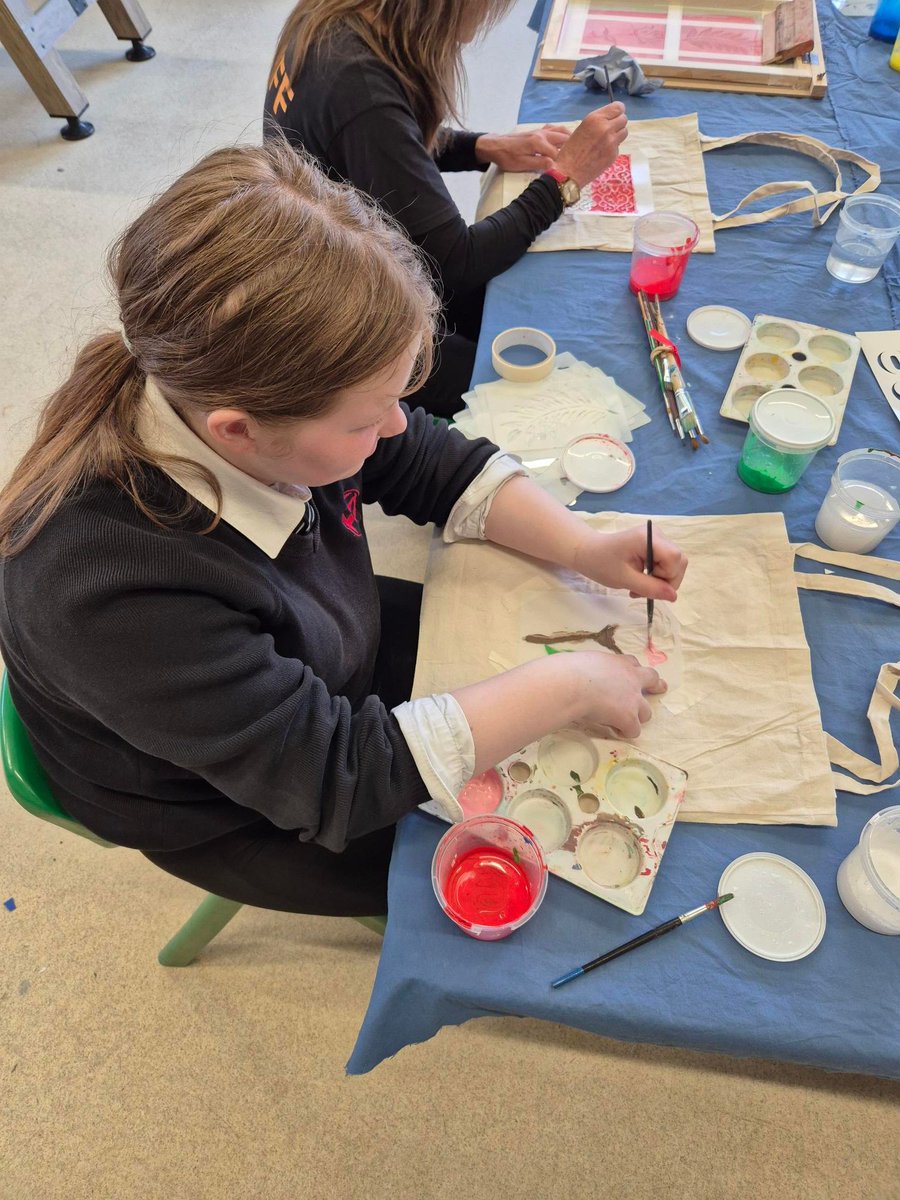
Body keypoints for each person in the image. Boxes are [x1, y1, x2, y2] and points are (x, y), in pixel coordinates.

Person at [0, 142, 685, 917]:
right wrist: (569, 684)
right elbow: (336, 778)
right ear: (237, 433)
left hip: (303, 654)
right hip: (222, 804)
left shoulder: (264, 401)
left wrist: (582, 546)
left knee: (502, 649)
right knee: (511, 879)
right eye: (368, 417)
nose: (394, 423)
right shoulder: (108, 598)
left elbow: (421, 455)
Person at [264, 0, 628, 418]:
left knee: (525, 310)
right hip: (343, 324)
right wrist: (564, 180)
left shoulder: (330, 19)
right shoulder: (359, 85)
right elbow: (458, 261)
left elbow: (375, 146)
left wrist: (479, 146)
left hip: (324, 265)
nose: (488, 18)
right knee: (534, 390)